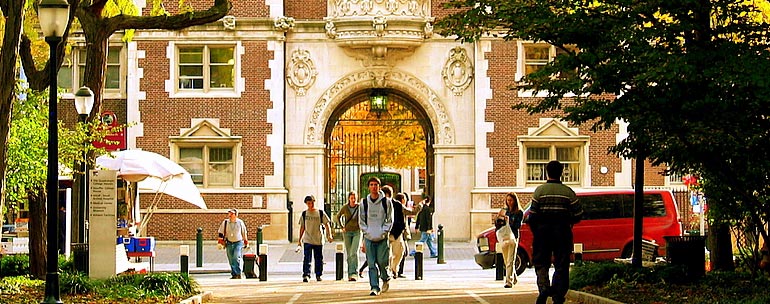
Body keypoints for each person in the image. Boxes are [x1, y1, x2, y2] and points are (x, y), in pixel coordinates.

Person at [528, 161, 583, 304]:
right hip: (562, 232)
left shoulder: (539, 191)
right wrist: (568, 221)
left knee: (541, 263)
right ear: (561, 173)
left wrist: (537, 230)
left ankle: (544, 288)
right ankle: (558, 294)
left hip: (542, 233)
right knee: (562, 264)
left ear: (547, 172)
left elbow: (532, 215)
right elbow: (578, 214)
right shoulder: (568, 192)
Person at [359, 177, 394, 296]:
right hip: (369, 238)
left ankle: (385, 278)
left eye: (376, 185)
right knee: (371, 263)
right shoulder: (364, 203)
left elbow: (390, 219)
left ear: (379, 187)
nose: (374, 187)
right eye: (371, 185)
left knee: (382, 262)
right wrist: (366, 232)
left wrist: (384, 231)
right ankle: (374, 287)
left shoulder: (386, 202)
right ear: (368, 187)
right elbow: (361, 221)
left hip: (382, 238)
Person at [298, 195, 334, 282]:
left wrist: (329, 235)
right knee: (307, 258)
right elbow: (302, 227)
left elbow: (327, 224)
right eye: (309, 203)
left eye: (312, 202)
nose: (311, 205)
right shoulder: (304, 214)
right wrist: (299, 240)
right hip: (308, 239)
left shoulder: (320, 213)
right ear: (306, 204)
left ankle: (318, 274)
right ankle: (306, 274)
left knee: (318, 258)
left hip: (318, 239)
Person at [391, 192, 421, 278]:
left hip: (398, 233)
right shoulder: (399, 206)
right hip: (397, 233)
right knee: (401, 251)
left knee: (402, 251)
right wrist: (420, 205)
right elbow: (413, 212)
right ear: (402, 200)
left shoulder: (396, 206)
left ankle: (396, 270)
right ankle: (395, 269)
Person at [497, 192, 524, 288]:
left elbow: (517, 226)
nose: (509, 202)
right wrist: (500, 218)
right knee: (506, 260)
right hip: (504, 237)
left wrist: (509, 221)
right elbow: (498, 225)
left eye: (511, 200)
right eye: (507, 200)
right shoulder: (505, 211)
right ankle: (514, 278)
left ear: (515, 201)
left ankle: (508, 281)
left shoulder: (519, 212)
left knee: (510, 259)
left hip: (513, 237)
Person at [334, 191, 362, 281]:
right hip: (347, 232)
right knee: (349, 253)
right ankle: (350, 274)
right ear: (349, 199)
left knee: (354, 252)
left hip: (357, 231)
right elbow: (338, 216)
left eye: (354, 198)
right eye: (351, 198)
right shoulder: (345, 208)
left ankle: (354, 273)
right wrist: (342, 227)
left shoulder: (359, 207)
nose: (353, 200)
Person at [217, 208, 249, 279]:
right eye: (229, 213)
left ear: (236, 215)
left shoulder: (240, 222)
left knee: (236, 256)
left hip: (238, 242)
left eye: (232, 213)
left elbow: (244, 232)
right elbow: (220, 232)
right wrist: (220, 241)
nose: (230, 215)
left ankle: (238, 273)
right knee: (231, 258)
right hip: (229, 242)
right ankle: (234, 274)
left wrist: (246, 241)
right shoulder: (225, 222)